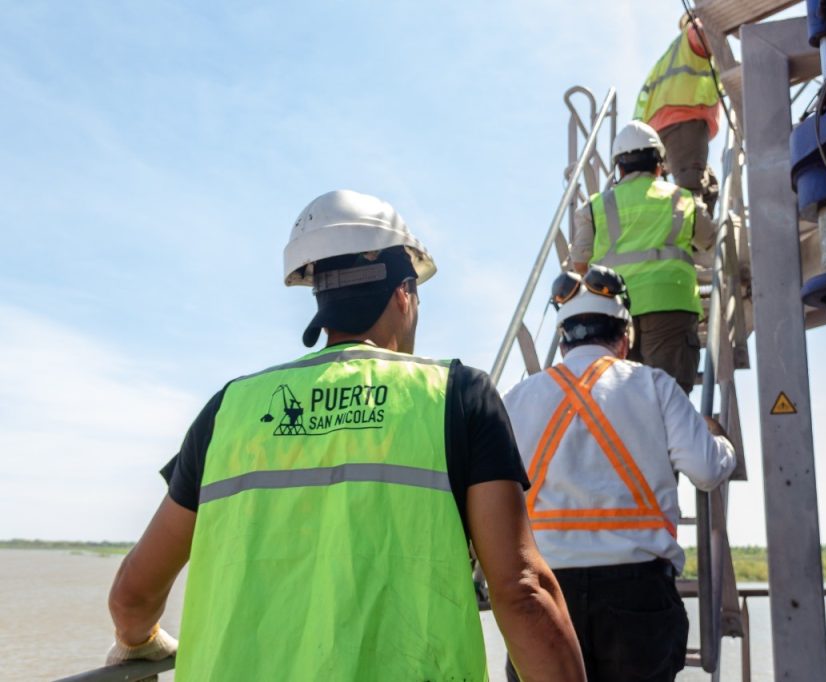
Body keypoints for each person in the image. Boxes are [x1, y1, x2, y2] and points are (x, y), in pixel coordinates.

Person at [105, 189, 586, 681]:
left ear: (321, 297)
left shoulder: (228, 410)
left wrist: (141, 643)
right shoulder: (457, 396)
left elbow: (132, 596)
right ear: (404, 294)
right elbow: (522, 592)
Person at [501, 266, 736, 682]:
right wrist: (721, 441)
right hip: (637, 597)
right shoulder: (655, 385)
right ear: (625, 339)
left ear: (562, 343)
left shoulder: (517, 398)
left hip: (544, 594)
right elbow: (706, 469)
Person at [571, 120, 714, 395]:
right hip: (671, 303)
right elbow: (709, 240)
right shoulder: (682, 199)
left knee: (619, 401)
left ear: (619, 167)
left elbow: (580, 262)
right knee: (668, 400)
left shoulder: (596, 206)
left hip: (613, 311)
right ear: (660, 166)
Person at [634, 14, 721, 212]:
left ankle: (701, 223)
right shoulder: (693, 32)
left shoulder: (668, 56)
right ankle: (693, 228)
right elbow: (705, 33)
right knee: (691, 189)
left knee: (708, 185)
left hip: (658, 130)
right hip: (684, 121)